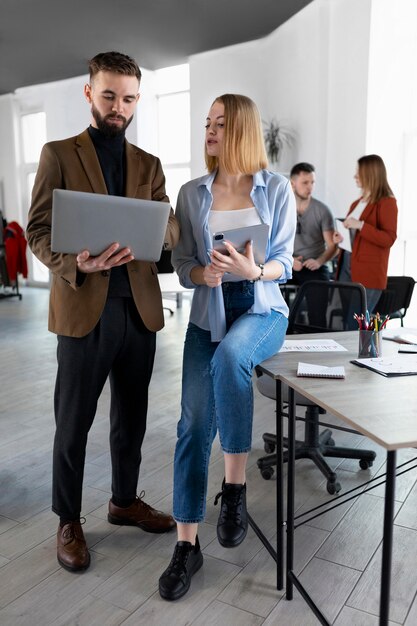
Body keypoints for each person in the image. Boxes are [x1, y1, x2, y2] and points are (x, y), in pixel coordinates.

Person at [26, 51, 180, 572]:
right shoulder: (58, 154)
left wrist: (160, 230)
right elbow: (38, 232)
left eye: (129, 98)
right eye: (109, 95)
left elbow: (172, 229)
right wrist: (77, 263)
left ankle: (123, 500)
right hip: (83, 305)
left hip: (138, 309)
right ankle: (68, 517)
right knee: (73, 420)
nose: (119, 106)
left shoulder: (149, 165)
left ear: (138, 100)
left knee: (130, 418)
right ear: (89, 93)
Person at [158, 94, 296, 601]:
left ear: (241, 130)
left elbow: (283, 259)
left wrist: (253, 270)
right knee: (192, 426)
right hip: (208, 309)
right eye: (207, 123)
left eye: (220, 124)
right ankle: (186, 545)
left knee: (234, 357)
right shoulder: (193, 192)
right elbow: (183, 263)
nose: (210, 131)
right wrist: (203, 272)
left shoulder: (276, 188)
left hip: (261, 308)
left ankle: (234, 489)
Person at [333, 154, 398, 328]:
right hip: (347, 269)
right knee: (345, 326)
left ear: (370, 174)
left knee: (354, 326)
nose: (355, 176)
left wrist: (361, 225)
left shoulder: (387, 203)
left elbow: (389, 238)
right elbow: (352, 236)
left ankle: (359, 356)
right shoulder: (357, 203)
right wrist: (339, 237)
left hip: (368, 274)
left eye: (358, 173)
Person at [288, 162, 337, 327]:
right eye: (305, 183)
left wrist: (319, 262)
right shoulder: (282, 209)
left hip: (313, 266)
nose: (310, 187)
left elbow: (333, 246)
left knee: (317, 315)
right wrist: (289, 260)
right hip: (288, 263)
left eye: (312, 182)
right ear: (292, 183)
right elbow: (271, 242)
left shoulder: (322, 210)